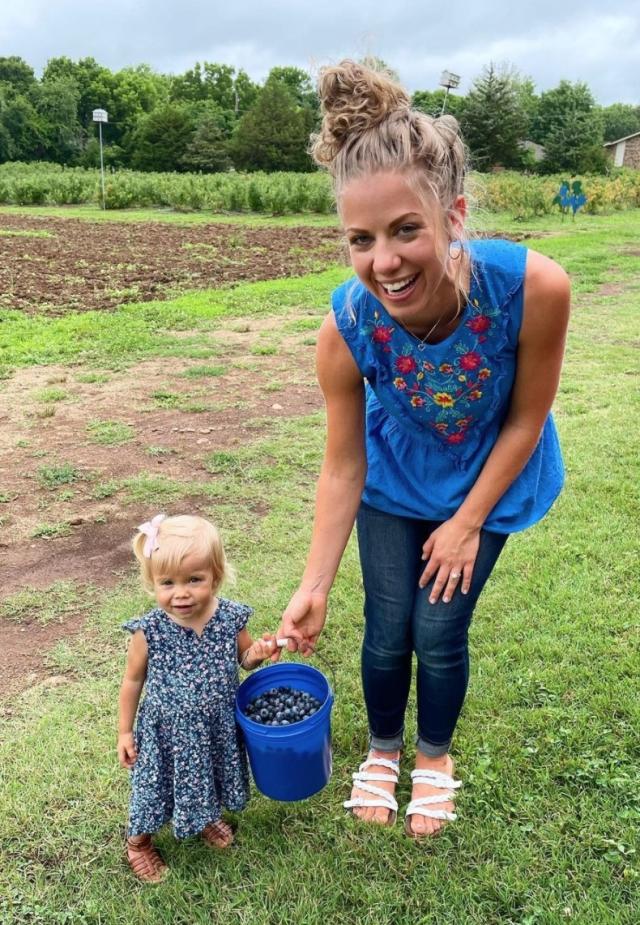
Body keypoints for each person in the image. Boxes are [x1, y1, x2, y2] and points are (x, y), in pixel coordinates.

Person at [278, 60, 570, 839]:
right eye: (360, 239)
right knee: (386, 624)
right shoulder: (347, 324)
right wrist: (314, 582)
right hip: (393, 479)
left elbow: (528, 418)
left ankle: (432, 756)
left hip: (491, 474)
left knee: (438, 630)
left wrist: (469, 520)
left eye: (406, 229)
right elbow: (343, 463)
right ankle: (381, 748)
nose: (385, 262)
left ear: (454, 213)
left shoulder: (533, 288)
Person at [118, 513, 276, 882]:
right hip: (166, 732)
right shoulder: (149, 631)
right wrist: (125, 732)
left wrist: (261, 651)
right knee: (153, 788)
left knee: (210, 775)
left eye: (194, 580)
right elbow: (132, 681)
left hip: (216, 722)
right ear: (152, 583)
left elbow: (244, 658)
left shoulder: (231, 618)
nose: (181, 593)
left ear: (215, 576)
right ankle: (138, 842)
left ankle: (204, 817)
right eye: (167, 583)